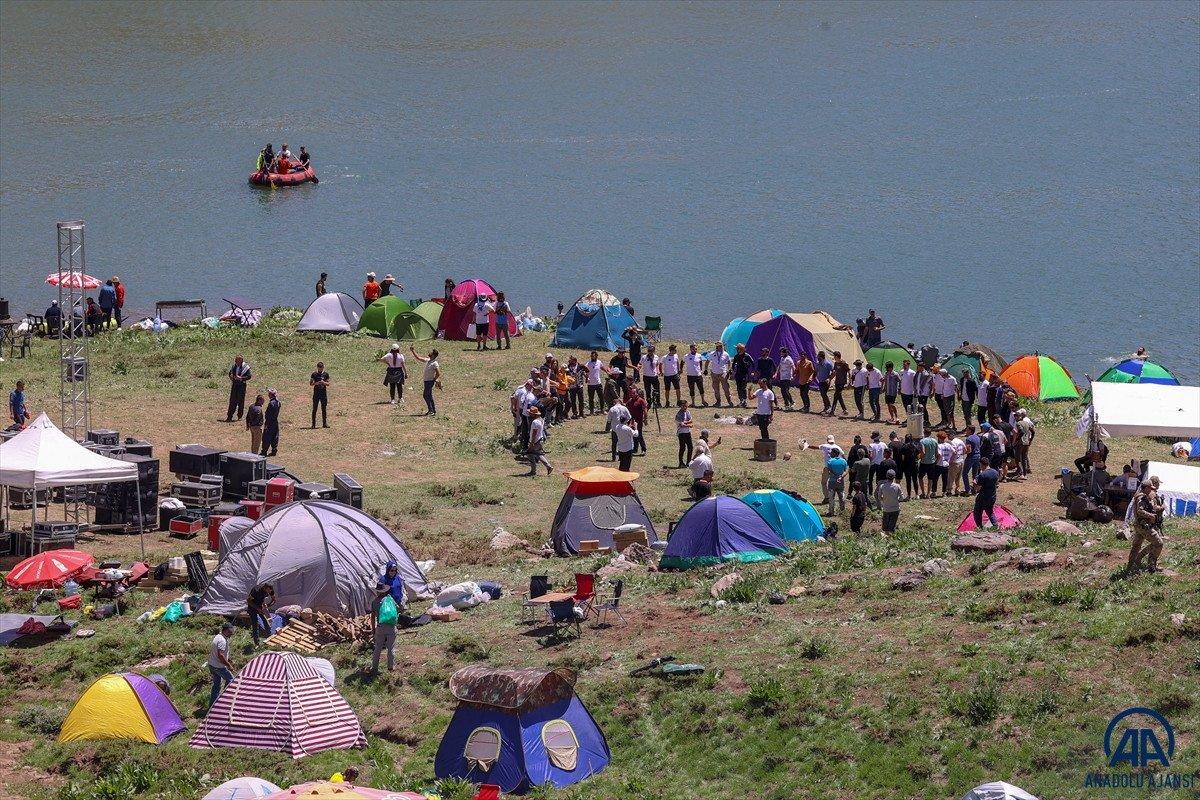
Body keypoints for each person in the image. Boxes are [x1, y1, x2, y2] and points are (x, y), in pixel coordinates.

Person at [1127, 481, 1163, 573]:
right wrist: (1151, 516)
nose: (1151, 491)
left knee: (1136, 546)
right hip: (1144, 526)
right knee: (1158, 543)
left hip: (1139, 525)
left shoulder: (1140, 496)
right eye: (1150, 488)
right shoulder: (1141, 497)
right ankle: (1151, 565)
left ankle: (1130, 565)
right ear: (1146, 488)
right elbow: (1140, 511)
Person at [370, 581, 397, 674]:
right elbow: (397, 609)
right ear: (385, 591)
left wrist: (373, 629)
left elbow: (372, 617)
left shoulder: (374, 602)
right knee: (391, 647)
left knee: (378, 647)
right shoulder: (390, 599)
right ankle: (390, 668)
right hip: (391, 627)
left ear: (377, 591)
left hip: (380, 627)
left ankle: (374, 668)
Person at [208, 622, 235, 708]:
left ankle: (213, 705)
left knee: (216, 685)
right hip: (218, 666)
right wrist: (229, 665)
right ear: (225, 630)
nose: (231, 634)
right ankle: (225, 699)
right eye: (230, 632)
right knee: (231, 680)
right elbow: (220, 655)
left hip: (212, 665)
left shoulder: (218, 636)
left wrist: (228, 660)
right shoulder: (222, 640)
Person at [410, 347, 441, 415]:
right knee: (429, 395)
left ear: (433, 355)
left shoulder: (435, 363)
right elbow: (418, 358)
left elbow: (438, 373)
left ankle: (431, 410)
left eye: (431, 352)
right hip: (426, 381)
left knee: (425, 395)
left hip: (429, 381)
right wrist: (413, 351)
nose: (429, 353)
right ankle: (433, 410)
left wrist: (434, 379)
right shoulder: (428, 360)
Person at [972, 457, 1000, 528]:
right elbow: (997, 484)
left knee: (977, 513)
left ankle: (980, 527)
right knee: (990, 512)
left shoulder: (982, 475)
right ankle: (996, 526)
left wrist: (974, 484)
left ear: (982, 464)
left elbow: (978, 488)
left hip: (983, 497)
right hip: (992, 496)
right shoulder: (995, 472)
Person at [525, 407, 552, 477]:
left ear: (534, 414)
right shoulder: (541, 420)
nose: (529, 414)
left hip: (535, 441)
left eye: (530, 413)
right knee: (538, 454)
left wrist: (532, 444)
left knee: (530, 454)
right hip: (540, 439)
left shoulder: (535, 422)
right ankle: (548, 466)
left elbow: (534, 434)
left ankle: (533, 471)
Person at [246, 582, 275, 647]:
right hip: (252, 608)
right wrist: (257, 608)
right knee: (255, 625)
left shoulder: (270, 590)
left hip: (260, 606)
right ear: (265, 588)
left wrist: (267, 605)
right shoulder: (256, 590)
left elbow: (274, 599)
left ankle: (269, 637)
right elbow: (248, 601)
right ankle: (257, 643)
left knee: (266, 620)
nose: (269, 592)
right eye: (268, 591)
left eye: (270, 591)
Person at [226, 355, 252, 422]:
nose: (236, 361)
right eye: (235, 360)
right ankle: (229, 416)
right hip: (234, 385)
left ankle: (239, 416)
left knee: (241, 401)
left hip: (242, 386)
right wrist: (231, 376)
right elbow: (230, 373)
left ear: (241, 361)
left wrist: (241, 378)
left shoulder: (245, 367)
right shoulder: (233, 366)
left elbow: (249, 376)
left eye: (237, 360)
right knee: (232, 401)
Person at [825, 446, 848, 514]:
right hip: (841, 481)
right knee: (841, 496)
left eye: (831, 452)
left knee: (831, 497)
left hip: (832, 482)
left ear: (835, 453)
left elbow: (829, 471)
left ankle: (831, 511)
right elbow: (846, 470)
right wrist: (841, 477)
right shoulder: (843, 461)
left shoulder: (830, 461)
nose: (830, 454)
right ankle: (842, 511)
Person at [708, 342, 732, 407]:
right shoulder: (712, 353)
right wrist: (706, 369)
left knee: (726, 388)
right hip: (714, 374)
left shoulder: (726, 354)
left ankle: (729, 402)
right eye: (718, 346)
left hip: (723, 374)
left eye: (720, 346)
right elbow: (707, 361)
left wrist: (729, 369)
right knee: (716, 389)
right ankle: (718, 402)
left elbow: (729, 362)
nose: (719, 347)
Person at [607, 395, 629, 461]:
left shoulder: (612, 409)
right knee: (621, 443)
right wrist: (625, 422)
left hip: (615, 429)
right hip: (623, 428)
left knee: (614, 443)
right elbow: (629, 417)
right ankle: (621, 457)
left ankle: (613, 457)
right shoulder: (624, 408)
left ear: (614, 403)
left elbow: (609, 420)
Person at [732, 343, 754, 407]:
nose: (736, 349)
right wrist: (733, 370)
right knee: (738, 388)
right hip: (738, 374)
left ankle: (744, 400)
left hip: (744, 374)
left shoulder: (747, 356)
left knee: (743, 387)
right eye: (737, 348)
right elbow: (733, 364)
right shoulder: (736, 356)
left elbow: (753, 363)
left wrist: (752, 371)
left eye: (737, 348)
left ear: (741, 349)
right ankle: (741, 400)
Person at [918, 427, 938, 499]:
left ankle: (923, 492)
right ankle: (928, 494)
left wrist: (919, 458)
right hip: (932, 462)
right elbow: (936, 453)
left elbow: (922, 452)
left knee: (920, 477)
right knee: (930, 479)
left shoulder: (922, 441)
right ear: (930, 433)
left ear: (924, 432)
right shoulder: (935, 441)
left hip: (924, 462)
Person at [627, 388, 648, 455]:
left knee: (639, 435)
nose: (632, 394)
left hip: (639, 421)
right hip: (632, 421)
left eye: (634, 393)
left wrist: (645, 419)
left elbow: (645, 410)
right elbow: (626, 407)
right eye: (631, 393)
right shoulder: (630, 400)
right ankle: (635, 449)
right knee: (634, 435)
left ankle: (643, 449)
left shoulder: (641, 400)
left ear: (637, 393)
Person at [260, 389, 281, 457]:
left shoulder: (271, 403)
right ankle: (274, 450)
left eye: (269, 394)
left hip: (269, 422)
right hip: (275, 422)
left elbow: (268, 414)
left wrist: (266, 423)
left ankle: (264, 451)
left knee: (266, 437)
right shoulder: (278, 402)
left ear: (271, 395)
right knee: (275, 436)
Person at [1015, 409, 1035, 476]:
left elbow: (1021, 432)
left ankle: (1020, 473)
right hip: (1026, 442)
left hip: (1020, 443)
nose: (1015, 418)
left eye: (1016, 416)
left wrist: (1016, 440)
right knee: (1024, 458)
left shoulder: (1018, 423)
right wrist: (1030, 440)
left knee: (1017, 458)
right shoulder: (1027, 423)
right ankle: (1025, 474)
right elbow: (1033, 431)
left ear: (1019, 417)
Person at [675, 399, 694, 468]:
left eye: (686, 406)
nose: (685, 407)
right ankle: (681, 463)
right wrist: (689, 425)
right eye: (683, 406)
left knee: (690, 447)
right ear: (680, 406)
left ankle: (688, 462)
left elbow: (691, 420)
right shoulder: (678, 414)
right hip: (681, 433)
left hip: (688, 432)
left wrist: (685, 422)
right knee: (682, 448)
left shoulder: (687, 412)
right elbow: (681, 425)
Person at [829, 351, 849, 416]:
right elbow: (835, 372)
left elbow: (849, 371)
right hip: (837, 382)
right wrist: (830, 378)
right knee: (839, 396)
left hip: (842, 382)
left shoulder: (844, 363)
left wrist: (850, 382)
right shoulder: (835, 363)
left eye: (834, 356)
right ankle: (845, 410)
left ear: (837, 356)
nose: (834, 357)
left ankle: (832, 411)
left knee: (836, 395)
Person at [936, 431, 954, 497]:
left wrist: (936, 462)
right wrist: (950, 460)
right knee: (945, 479)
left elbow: (939, 455)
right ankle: (944, 492)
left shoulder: (939, 446)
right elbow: (954, 452)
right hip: (946, 464)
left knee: (935, 479)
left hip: (939, 464)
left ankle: (934, 492)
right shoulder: (948, 445)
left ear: (939, 438)